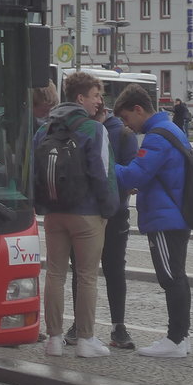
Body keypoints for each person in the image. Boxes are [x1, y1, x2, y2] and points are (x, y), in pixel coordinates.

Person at [33, 71, 119, 358]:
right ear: (80, 98)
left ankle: (54, 340)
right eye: (96, 95)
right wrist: (109, 210)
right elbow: (103, 175)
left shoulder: (43, 130)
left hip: (54, 214)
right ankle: (86, 340)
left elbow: (33, 171)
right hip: (87, 214)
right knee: (87, 277)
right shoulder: (95, 130)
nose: (99, 101)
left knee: (55, 274)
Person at [113, 83, 192, 358]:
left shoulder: (157, 136)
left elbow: (132, 176)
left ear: (138, 109)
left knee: (171, 278)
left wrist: (102, 163)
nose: (127, 126)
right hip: (173, 214)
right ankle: (180, 337)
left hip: (165, 217)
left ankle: (176, 339)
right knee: (175, 276)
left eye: (126, 118)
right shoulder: (171, 129)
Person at [64, 101, 138, 349]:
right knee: (84, 271)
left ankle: (117, 326)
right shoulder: (82, 131)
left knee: (112, 269)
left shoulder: (123, 135)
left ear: (104, 114)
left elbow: (131, 175)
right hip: (89, 212)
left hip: (112, 212)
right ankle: (82, 325)